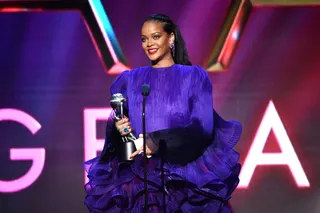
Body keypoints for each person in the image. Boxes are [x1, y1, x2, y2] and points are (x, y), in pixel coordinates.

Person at [83, 14, 242, 213]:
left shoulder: (193, 77)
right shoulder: (130, 80)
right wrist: (120, 131)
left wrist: (155, 140)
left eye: (156, 36)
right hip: (140, 183)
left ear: (171, 37)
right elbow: (118, 145)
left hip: (183, 180)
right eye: (144, 39)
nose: (149, 43)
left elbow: (202, 129)